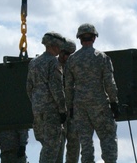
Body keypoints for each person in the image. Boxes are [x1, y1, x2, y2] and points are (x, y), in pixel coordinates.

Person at [65, 23, 119, 163]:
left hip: (80, 106)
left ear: (80, 39)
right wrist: (114, 102)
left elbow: (68, 87)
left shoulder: (72, 60)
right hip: (99, 104)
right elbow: (109, 83)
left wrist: (70, 107)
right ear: (94, 38)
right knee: (107, 138)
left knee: (86, 143)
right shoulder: (101, 58)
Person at [26, 31, 67, 163]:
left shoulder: (34, 63)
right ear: (54, 45)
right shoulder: (53, 62)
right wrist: (62, 109)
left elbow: (29, 87)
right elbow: (56, 88)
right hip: (51, 111)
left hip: (37, 110)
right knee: (51, 148)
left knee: (46, 146)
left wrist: (36, 103)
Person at [56, 37, 86, 163]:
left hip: (74, 113)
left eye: (70, 54)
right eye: (65, 53)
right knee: (57, 145)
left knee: (74, 145)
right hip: (58, 113)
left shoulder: (76, 68)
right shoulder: (52, 66)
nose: (66, 57)